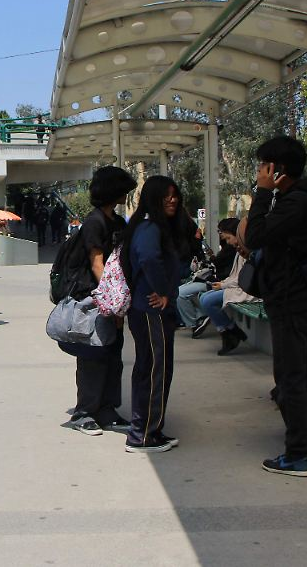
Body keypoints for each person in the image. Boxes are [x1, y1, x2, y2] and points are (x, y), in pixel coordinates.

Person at [243, 135, 307, 477]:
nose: (259, 172)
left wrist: (262, 193)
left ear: (277, 169)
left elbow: (255, 236)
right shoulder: (299, 199)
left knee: (290, 377)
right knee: (300, 376)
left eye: (264, 166)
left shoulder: (295, 202)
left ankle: (298, 454)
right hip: (299, 300)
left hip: (293, 302)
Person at [63, 166, 137, 436]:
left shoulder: (116, 221)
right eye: (124, 189)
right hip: (93, 300)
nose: (126, 194)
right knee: (93, 354)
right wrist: (115, 301)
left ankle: (107, 408)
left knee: (112, 354)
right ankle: (84, 412)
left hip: (110, 298)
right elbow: (97, 264)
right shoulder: (95, 222)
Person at [121, 175, 187, 453]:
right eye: (166, 195)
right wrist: (162, 290)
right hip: (152, 309)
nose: (172, 200)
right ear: (153, 198)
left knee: (148, 367)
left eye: (175, 195)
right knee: (155, 369)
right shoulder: (150, 227)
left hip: (145, 308)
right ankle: (144, 434)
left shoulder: (147, 225)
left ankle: (145, 427)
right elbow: (148, 257)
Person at [193, 217, 250, 354]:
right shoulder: (238, 250)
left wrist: (223, 285)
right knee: (205, 298)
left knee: (207, 300)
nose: (228, 242)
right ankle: (230, 330)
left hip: (244, 289)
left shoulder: (243, 250)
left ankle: (229, 332)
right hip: (235, 285)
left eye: (229, 238)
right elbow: (236, 276)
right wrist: (224, 284)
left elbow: (241, 278)